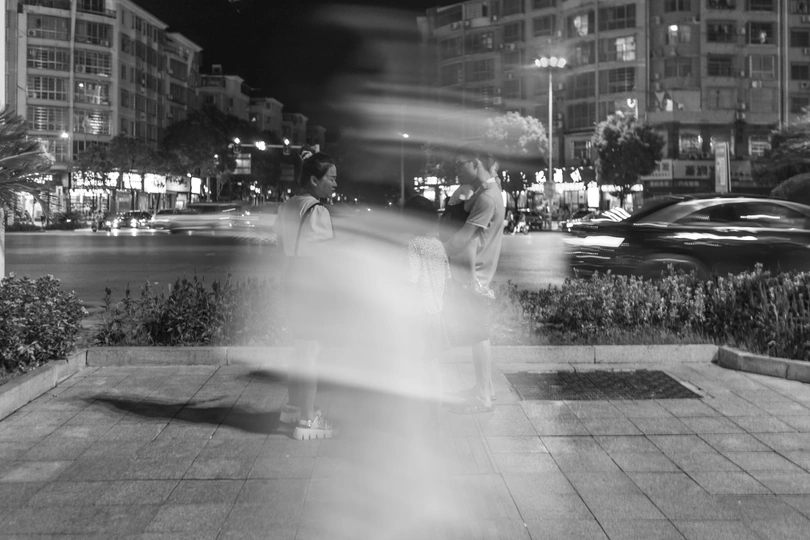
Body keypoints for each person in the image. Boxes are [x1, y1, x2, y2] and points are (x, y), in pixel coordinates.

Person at [274, 150, 339, 440]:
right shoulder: (318, 211)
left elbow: (279, 247)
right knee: (311, 351)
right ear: (314, 179)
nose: (335, 184)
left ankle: (292, 407)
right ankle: (308, 419)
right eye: (331, 178)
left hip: (291, 279)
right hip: (312, 284)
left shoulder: (287, 205)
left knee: (299, 348)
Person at [443, 143, 505, 414]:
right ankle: (485, 388)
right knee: (477, 331)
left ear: (476, 163)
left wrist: (438, 249)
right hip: (476, 273)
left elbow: (462, 238)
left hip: (474, 275)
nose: (456, 169)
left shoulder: (487, 198)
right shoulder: (487, 191)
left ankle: (483, 396)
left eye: (460, 164)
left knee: (478, 333)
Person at [403, 195, 451, 424]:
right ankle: (434, 414)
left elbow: (410, 281)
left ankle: (413, 415)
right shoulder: (438, 245)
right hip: (435, 313)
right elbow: (447, 279)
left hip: (417, 315)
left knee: (413, 363)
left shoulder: (413, 245)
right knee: (432, 364)